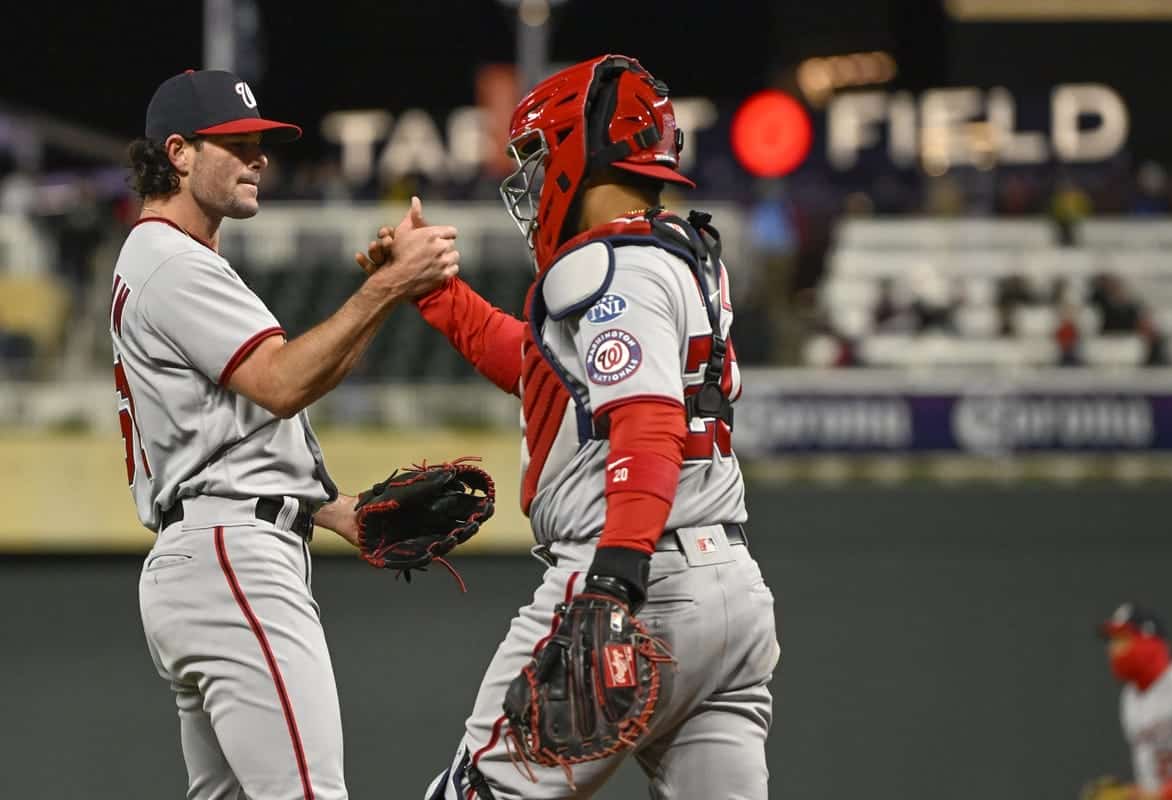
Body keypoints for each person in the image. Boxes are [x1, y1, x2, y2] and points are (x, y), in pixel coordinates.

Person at [359, 54, 780, 799]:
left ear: (581, 151)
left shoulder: (610, 263)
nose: (530, 175)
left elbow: (646, 424)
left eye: (537, 153)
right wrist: (433, 294)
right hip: (732, 593)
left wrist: (613, 585)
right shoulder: (678, 253)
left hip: (636, 576)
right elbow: (544, 372)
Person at [111, 69, 459, 799]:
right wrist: (389, 286)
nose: (258, 157)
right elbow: (282, 381)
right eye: (236, 144)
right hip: (231, 557)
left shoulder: (168, 260)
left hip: (209, 553)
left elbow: (242, 422)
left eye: (260, 143)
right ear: (178, 153)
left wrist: (334, 512)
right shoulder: (171, 261)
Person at [1091, 603, 1172, 800]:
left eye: (1123, 639)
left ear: (1149, 640)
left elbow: (1160, 794)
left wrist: (1166, 792)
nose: (1114, 649)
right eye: (1113, 641)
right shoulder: (1130, 700)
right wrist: (1134, 794)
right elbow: (1152, 786)